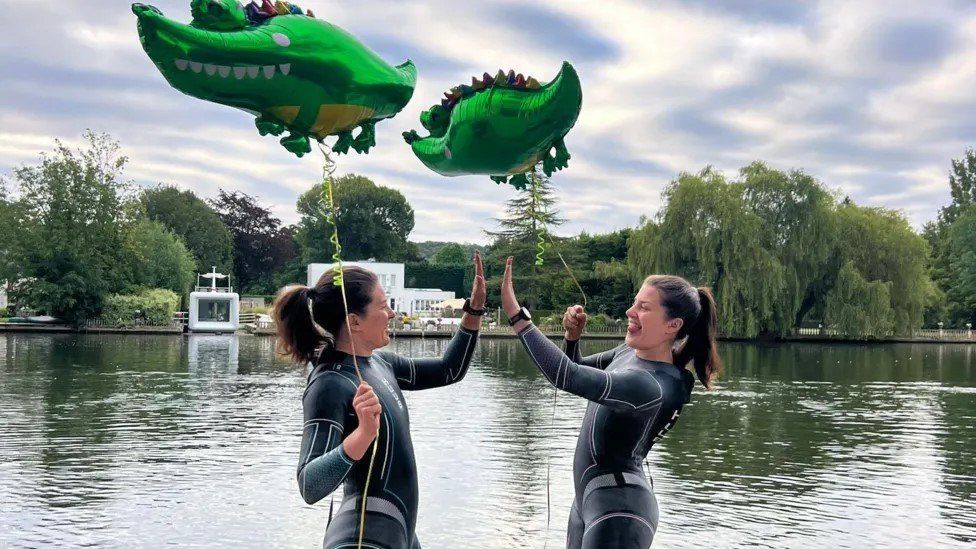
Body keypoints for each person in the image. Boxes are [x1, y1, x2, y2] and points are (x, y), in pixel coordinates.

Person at [500, 257, 721, 548]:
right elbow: (576, 368)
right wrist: (572, 338)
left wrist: (517, 315)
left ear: (673, 325)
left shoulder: (652, 386)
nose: (630, 311)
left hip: (620, 514)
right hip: (587, 502)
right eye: (634, 302)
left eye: (644, 307)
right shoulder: (628, 354)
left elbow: (565, 375)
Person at [273, 253, 486, 548]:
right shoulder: (329, 383)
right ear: (354, 321)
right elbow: (310, 484)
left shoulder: (381, 364)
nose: (392, 314)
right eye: (384, 306)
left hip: (400, 532)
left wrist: (473, 310)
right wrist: (362, 436)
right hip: (362, 538)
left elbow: (449, 370)